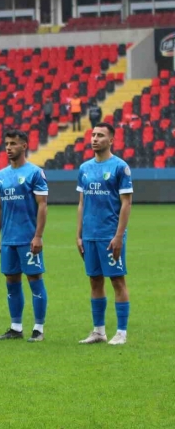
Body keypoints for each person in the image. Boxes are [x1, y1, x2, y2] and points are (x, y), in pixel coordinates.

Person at [77, 122, 132, 346]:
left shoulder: (120, 167)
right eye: (93, 135)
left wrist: (119, 236)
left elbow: (126, 203)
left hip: (110, 235)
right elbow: (82, 203)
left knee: (117, 281)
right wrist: (78, 234)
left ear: (111, 140)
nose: (95, 139)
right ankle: (99, 331)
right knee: (95, 281)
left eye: (100, 135)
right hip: (90, 235)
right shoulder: (84, 168)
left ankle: (121, 332)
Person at [0, 130, 49, 342]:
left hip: (28, 238)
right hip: (8, 240)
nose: (8, 147)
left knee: (34, 279)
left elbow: (42, 205)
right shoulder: (1, 175)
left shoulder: (35, 173)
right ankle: (16, 328)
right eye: (6, 143)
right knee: (11, 281)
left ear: (24, 146)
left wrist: (38, 236)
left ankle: (39, 329)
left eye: (13, 144)